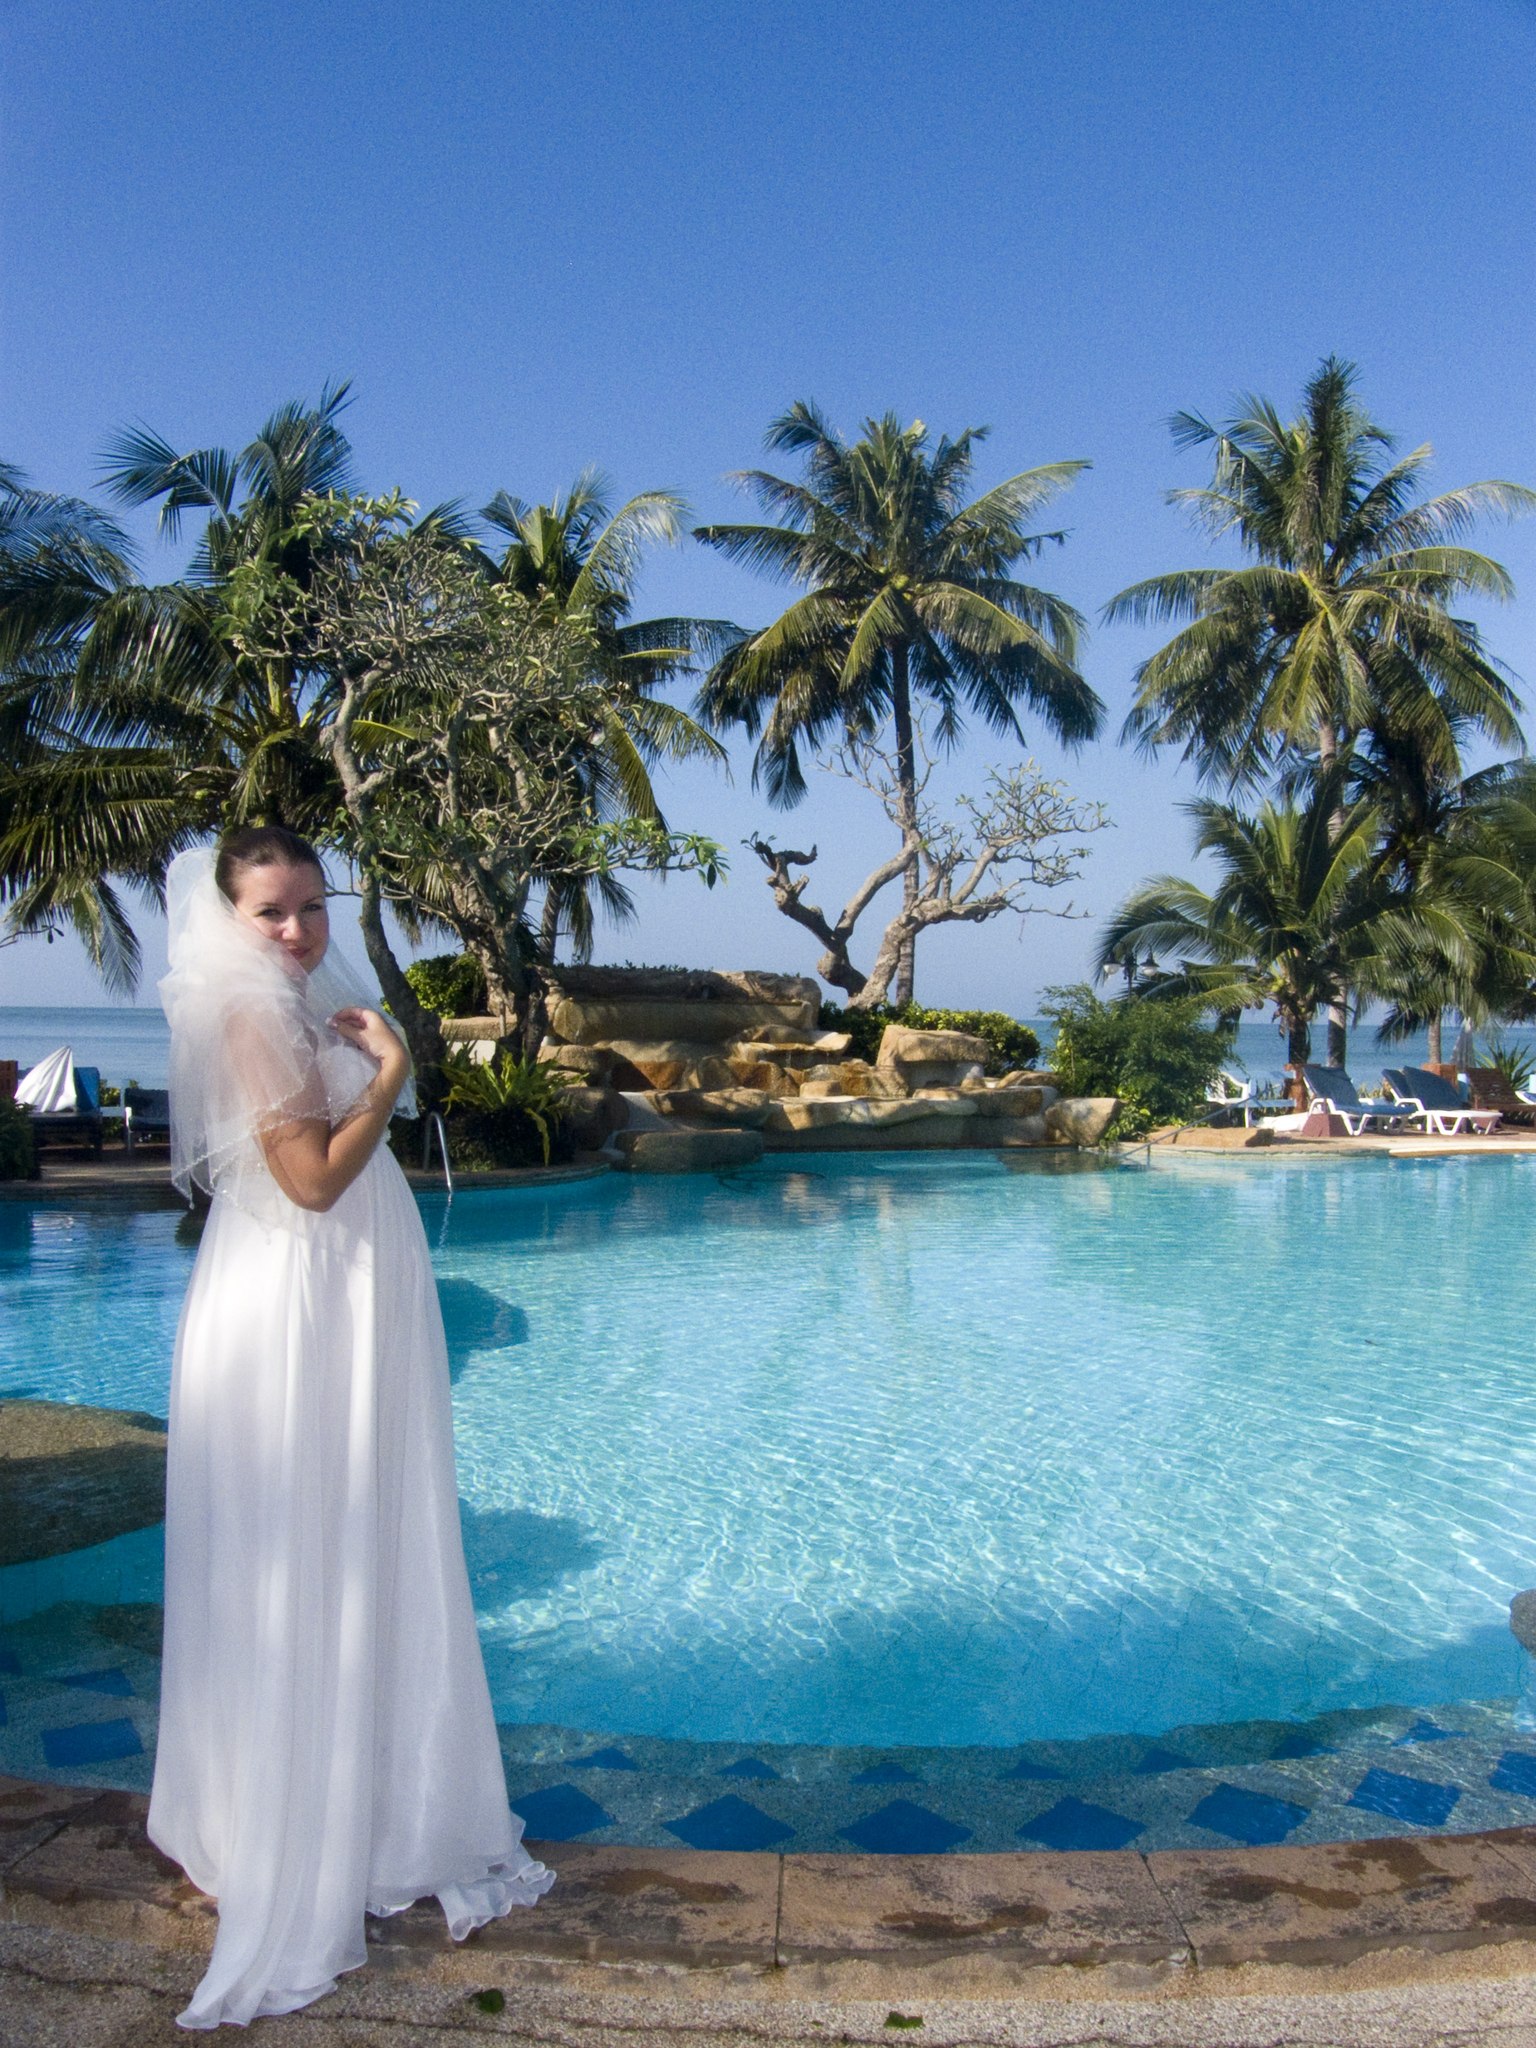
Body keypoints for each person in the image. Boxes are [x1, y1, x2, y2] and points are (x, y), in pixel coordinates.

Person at [149, 828, 553, 2030]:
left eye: (313, 905)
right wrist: (389, 1071)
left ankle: (366, 1801)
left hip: (336, 1291)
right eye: (271, 910)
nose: (297, 929)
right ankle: (298, 1821)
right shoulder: (249, 1015)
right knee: (309, 1540)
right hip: (300, 1300)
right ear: (229, 916)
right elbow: (314, 1178)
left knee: (356, 1533)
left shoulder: (302, 1001)